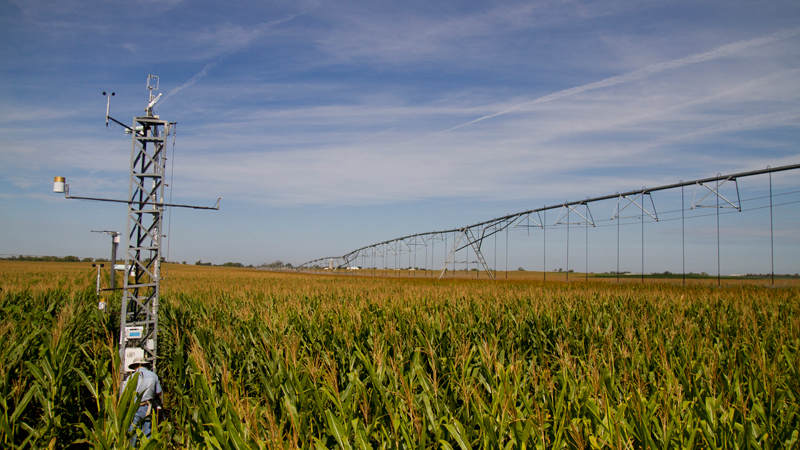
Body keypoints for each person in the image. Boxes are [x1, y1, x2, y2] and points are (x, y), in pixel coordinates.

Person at [123, 357, 162, 447]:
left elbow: (124, 394)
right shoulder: (153, 375)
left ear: (135, 366)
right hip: (147, 407)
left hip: (134, 408)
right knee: (147, 433)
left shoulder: (131, 377)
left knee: (133, 433)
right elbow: (159, 392)